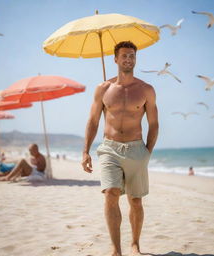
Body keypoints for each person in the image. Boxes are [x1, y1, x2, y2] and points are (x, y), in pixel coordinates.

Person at [81, 41, 159, 256]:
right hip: (109, 148)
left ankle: (135, 244)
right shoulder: (103, 88)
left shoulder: (146, 89)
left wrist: (147, 152)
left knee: (135, 200)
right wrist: (86, 150)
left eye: (132, 56)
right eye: (124, 55)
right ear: (115, 59)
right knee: (111, 194)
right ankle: (116, 249)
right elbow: (93, 120)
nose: (128, 59)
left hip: (136, 149)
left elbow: (154, 123)